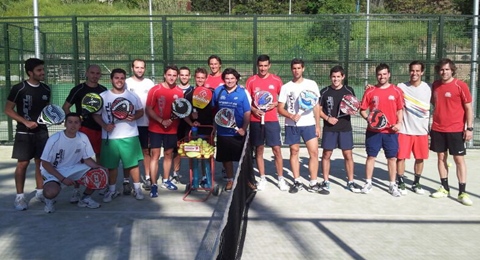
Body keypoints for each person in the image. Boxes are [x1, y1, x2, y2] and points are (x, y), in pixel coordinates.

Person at [93, 68, 145, 202]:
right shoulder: (103, 96)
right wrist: (105, 126)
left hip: (130, 136)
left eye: (122, 78)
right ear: (111, 79)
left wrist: (134, 117)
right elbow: (96, 115)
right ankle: (112, 191)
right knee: (112, 166)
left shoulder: (132, 96)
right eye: (116, 78)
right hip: (110, 138)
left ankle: (137, 188)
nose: (119, 81)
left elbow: (141, 111)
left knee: (132, 165)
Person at [5, 58, 51, 211]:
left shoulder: (46, 89)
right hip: (24, 133)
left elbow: (46, 111)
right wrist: (25, 122)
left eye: (43, 70)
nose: (42, 72)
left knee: (41, 163)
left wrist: (51, 119)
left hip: (42, 132)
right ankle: (19, 197)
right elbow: (8, 109)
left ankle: (40, 193)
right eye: (39, 70)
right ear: (30, 72)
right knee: (22, 164)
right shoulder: (19, 88)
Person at [430, 58, 474, 206]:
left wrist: (469, 128)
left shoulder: (460, 85)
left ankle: (462, 192)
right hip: (438, 129)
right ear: (438, 71)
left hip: (456, 130)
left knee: (458, 160)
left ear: (452, 70)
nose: (444, 72)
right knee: (441, 158)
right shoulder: (435, 86)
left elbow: (468, 108)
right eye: (442, 69)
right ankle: (445, 188)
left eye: (447, 69)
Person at [41, 113, 105, 213]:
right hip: (53, 170)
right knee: (50, 192)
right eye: (70, 122)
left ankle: (85, 198)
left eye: (76, 122)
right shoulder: (54, 139)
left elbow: (87, 159)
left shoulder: (83, 137)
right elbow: (45, 163)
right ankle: (49, 201)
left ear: (80, 125)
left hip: (74, 168)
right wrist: (62, 179)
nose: (73, 125)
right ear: (65, 124)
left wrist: (100, 168)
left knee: (99, 173)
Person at [63, 64, 107, 202]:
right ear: (87, 73)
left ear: (100, 75)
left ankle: (101, 184)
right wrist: (75, 123)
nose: (95, 75)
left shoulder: (103, 90)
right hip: (84, 130)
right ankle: (76, 190)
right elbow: (66, 107)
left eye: (97, 73)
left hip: (100, 130)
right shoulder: (78, 89)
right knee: (80, 160)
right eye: (92, 73)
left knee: (101, 158)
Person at [359, 63, 404, 197]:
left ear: (389, 75)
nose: (382, 76)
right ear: (376, 75)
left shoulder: (396, 91)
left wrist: (399, 123)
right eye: (379, 74)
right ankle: (368, 182)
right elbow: (362, 110)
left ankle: (392, 185)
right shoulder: (370, 91)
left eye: (384, 74)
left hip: (390, 132)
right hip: (374, 132)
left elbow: (399, 109)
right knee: (371, 157)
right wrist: (369, 119)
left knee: (392, 158)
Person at [277, 58, 321, 194]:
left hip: (309, 124)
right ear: (292, 69)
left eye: (299, 68)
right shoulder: (286, 87)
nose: (296, 71)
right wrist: (290, 115)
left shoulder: (312, 84)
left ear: (303, 69)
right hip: (292, 125)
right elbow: (280, 108)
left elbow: (316, 106)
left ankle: (313, 183)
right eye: (294, 68)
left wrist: (318, 125)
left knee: (314, 152)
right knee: (294, 152)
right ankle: (297, 181)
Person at [245, 55, 287, 191]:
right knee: (259, 150)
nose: (263, 68)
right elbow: (247, 101)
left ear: (269, 65)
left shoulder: (276, 80)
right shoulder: (251, 81)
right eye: (260, 66)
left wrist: (275, 103)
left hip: (272, 121)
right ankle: (262, 178)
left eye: (265, 65)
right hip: (255, 121)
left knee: (277, 150)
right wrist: (254, 110)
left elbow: (282, 98)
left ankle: (281, 178)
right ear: (258, 66)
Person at [318, 65, 362, 194]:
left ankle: (351, 181)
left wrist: (353, 110)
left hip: (345, 128)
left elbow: (354, 106)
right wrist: (327, 118)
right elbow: (318, 110)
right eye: (333, 77)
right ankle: (326, 181)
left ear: (343, 77)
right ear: (330, 77)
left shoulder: (349, 90)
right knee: (326, 155)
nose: (335, 79)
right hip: (329, 129)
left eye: (338, 77)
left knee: (348, 155)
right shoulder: (324, 92)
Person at [145, 65, 184, 197]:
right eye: (169, 75)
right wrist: (161, 121)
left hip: (172, 129)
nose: (172, 77)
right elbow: (149, 109)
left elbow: (180, 110)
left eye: (174, 75)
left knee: (168, 154)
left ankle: (166, 180)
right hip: (156, 128)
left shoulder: (179, 92)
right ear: (164, 75)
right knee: (155, 155)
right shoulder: (155, 90)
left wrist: (171, 121)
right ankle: (153, 184)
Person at [395, 61, 431, 195]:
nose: (414, 73)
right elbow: (388, 91)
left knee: (420, 158)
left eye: (417, 71)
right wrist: (372, 87)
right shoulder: (401, 87)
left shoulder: (429, 88)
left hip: (422, 131)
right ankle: (401, 182)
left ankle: (416, 183)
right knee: (401, 157)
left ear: (422, 72)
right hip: (404, 130)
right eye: (412, 70)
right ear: (409, 71)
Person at [212, 68, 251, 191]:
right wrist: (214, 128)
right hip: (223, 133)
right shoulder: (218, 91)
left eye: (232, 78)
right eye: (227, 78)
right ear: (224, 79)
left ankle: (246, 181)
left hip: (238, 132)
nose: (229, 81)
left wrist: (243, 128)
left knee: (243, 159)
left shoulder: (242, 92)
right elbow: (214, 110)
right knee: (226, 159)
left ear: (236, 79)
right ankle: (230, 180)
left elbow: (247, 112)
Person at [126, 59, 155, 192]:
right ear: (132, 68)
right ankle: (126, 180)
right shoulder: (126, 83)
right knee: (129, 153)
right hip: (128, 125)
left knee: (145, 151)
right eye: (137, 67)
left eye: (142, 67)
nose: (139, 70)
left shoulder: (149, 83)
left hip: (145, 123)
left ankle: (147, 177)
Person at [172, 66, 195, 184]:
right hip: (176, 124)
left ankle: (193, 175)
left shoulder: (194, 90)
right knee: (176, 150)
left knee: (192, 149)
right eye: (182, 75)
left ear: (190, 76)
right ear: (178, 76)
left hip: (190, 125)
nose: (184, 77)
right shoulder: (174, 90)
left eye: (186, 75)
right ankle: (176, 174)